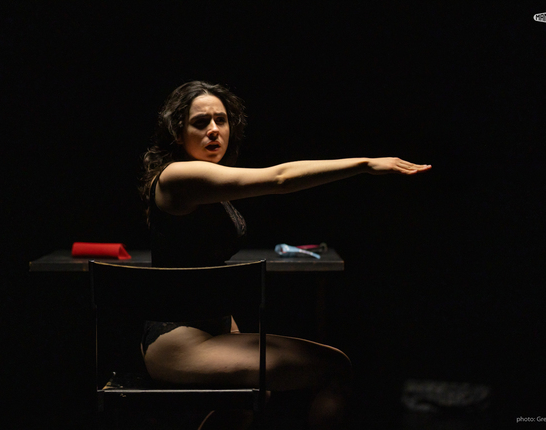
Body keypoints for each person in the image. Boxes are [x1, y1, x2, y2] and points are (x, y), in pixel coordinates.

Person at [139, 81, 431, 429]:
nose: (214, 130)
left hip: (210, 329)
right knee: (335, 369)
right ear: (177, 133)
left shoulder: (209, 182)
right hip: (177, 344)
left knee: (252, 399)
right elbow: (279, 178)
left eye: (221, 120)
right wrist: (364, 163)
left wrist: (228, 326)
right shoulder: (179, 176)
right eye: (200, 122)